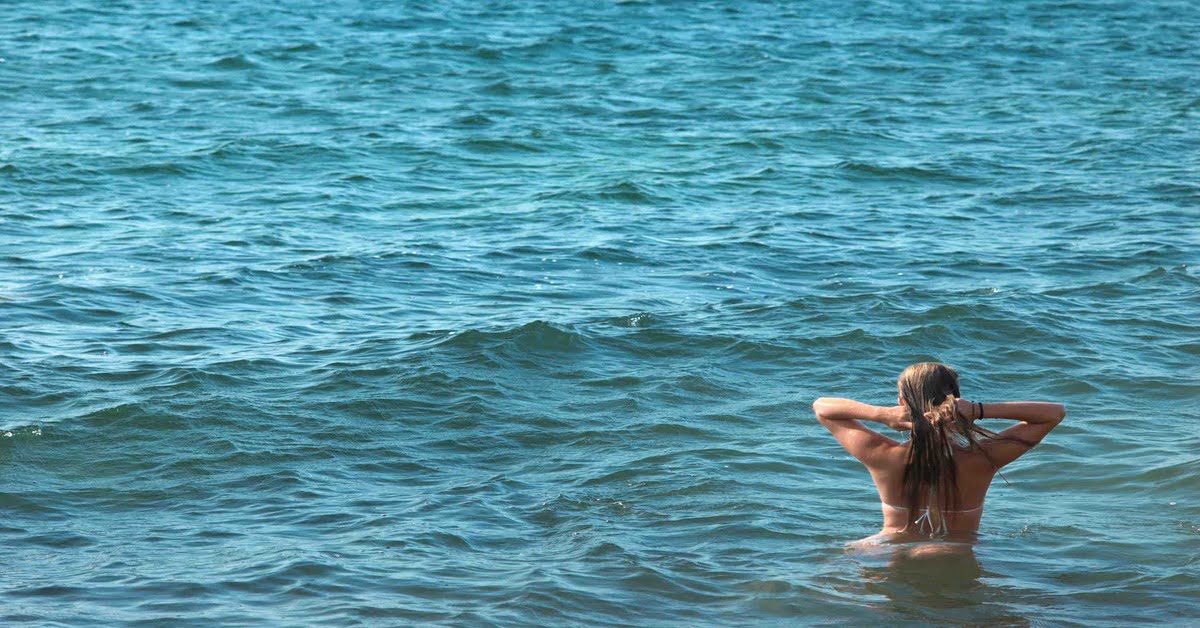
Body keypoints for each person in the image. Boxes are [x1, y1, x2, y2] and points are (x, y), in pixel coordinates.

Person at [812, 362, 1066, 544]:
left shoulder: (882, 455)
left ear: (901, 402)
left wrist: (881, 414)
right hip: (957, 552)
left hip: (885, 550)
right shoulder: (981, 459)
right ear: (957, 398)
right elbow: (1054, 413)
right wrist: (979, 410)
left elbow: (822, 407)